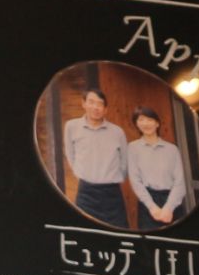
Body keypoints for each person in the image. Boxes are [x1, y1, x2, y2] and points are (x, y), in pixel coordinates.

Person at [61, 86, 129, 227]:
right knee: (85, 231)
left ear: (105, 109)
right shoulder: (71, 126)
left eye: (100, 104)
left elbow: (125, 162)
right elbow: (70, 154)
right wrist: (81, 173)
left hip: (112, 192)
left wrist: (114, 177)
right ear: (83, 104)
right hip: (86, 192)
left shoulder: (117, 132)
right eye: (91, 102)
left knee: (118, 231)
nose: (95, 107)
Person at [125, 106, 189, 225]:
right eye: (141, 120)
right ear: (137, 124)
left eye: (150, 120)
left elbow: (180, 182)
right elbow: (135, 181)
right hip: (148, 204)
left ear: (157, 123)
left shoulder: (172, 149)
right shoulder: (132, 148)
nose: (146, 124)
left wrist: (169, 208)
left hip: (172, 201)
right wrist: (152, 208)